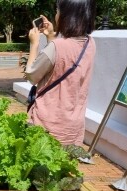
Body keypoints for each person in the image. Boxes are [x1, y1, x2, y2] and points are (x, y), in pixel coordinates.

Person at [25, 0, 96, 146]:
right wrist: (51, 36)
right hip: (72, 125)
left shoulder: (57, 46)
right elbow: (63, 63)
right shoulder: (90, 43)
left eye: (58, 11)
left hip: (48, 123)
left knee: (42, 164)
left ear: (67, 16)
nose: (56, 15)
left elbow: (32, 75)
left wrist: (34, 44)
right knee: (63, 164)